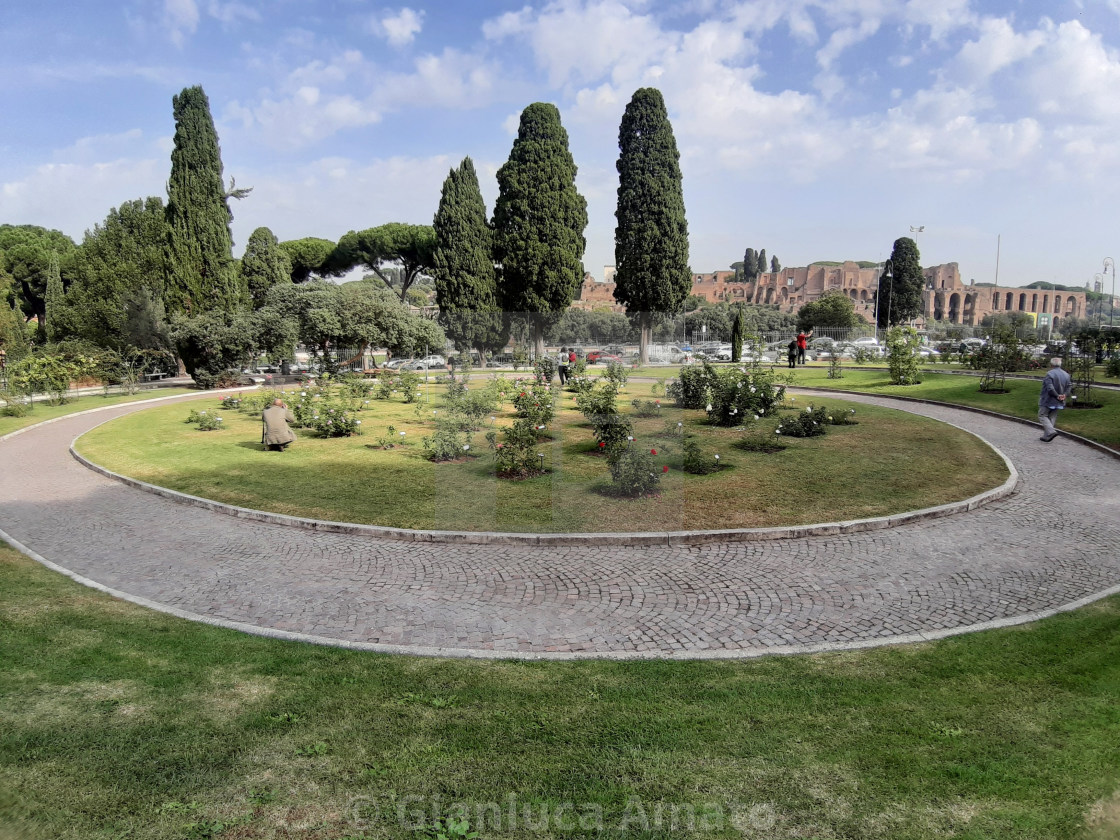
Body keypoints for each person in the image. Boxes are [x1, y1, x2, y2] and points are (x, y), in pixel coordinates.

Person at [1038, 357, 1073, 442]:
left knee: (1042, 415)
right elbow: (1069, 386)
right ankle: (1047, 436)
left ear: (1051, 365)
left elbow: (1050, 388)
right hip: (1060, 400)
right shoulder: (1066, 374)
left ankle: (1051, 432)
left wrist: (1057, 396)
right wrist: (1064, 395)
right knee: (1052, 417)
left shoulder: (1050, 374)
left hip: (1048, 399)